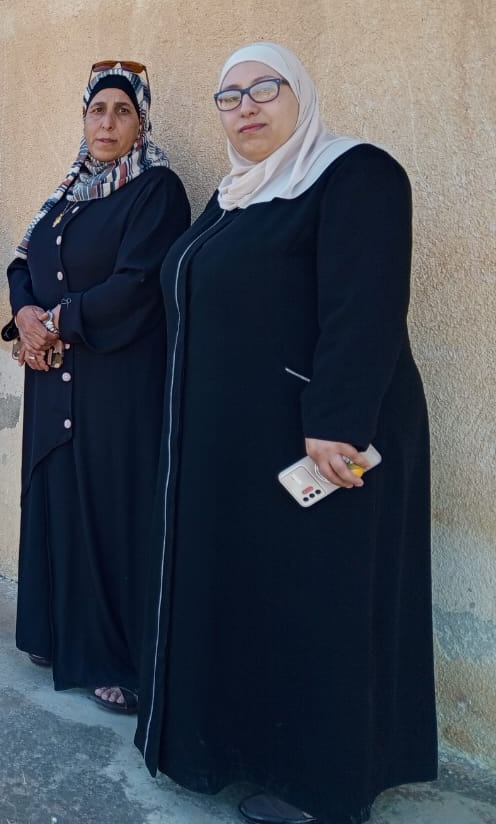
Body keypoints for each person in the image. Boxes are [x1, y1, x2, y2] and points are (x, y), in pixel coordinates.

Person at [135, 43, 436, 824]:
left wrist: (336, 423)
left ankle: (321, 788)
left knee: (317, 604)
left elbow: (365, 305)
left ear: (300, 95)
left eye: (265, 89)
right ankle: (237, 751)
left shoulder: (355, 173)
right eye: (229, 96)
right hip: (238, 445)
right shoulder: (235, 196)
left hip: (321, 443)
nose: (246, 107)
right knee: (255, 603)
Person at [6, 61, 189, 712]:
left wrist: (57, 322)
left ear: (141, 122)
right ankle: (55, 631)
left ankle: (117, 659)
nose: (106, 123)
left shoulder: (156, 190)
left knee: (110, 512)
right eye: (96, 110)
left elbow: (138, 283)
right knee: (57, 498)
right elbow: (22, 262)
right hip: (53, 377)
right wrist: (26, 316)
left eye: (121, 111)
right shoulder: (69, 193)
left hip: (115, 383)